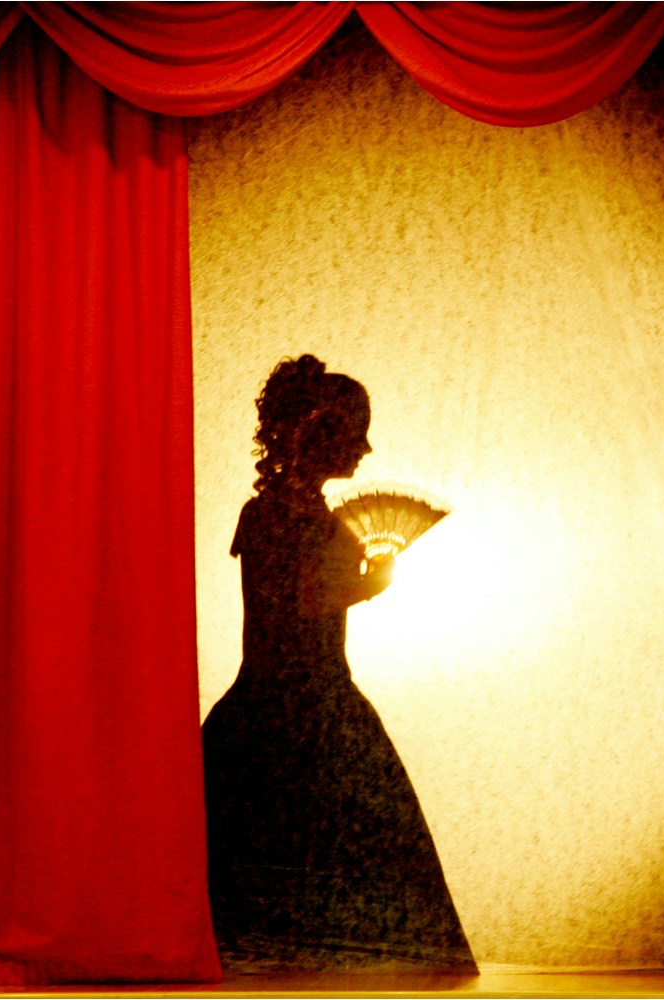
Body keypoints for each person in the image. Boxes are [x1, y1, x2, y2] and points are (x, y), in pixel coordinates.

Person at [202, 355, 475, 972]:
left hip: (292, 705)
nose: (367, 446)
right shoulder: (276, 514)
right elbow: (297, 602)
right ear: (318, 431)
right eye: (356, 430)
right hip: (292, 709)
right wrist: (372, 584)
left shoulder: (297, 514)